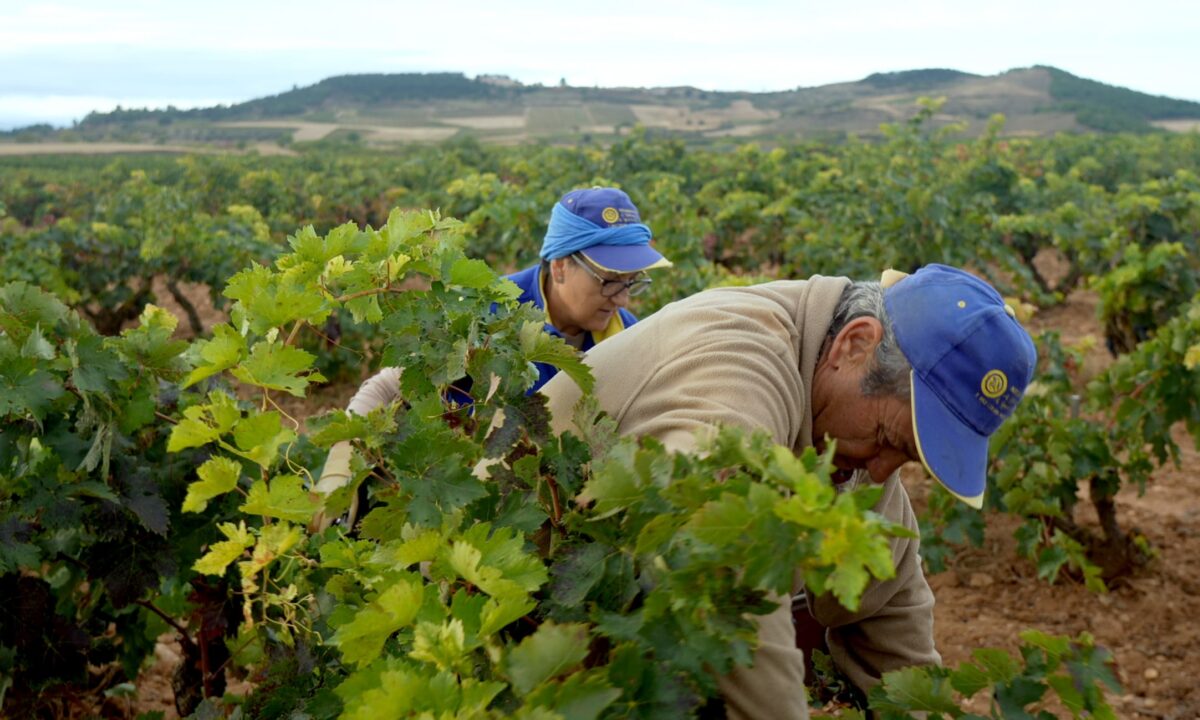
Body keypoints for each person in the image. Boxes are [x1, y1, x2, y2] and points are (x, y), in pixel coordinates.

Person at [539, 264, 1038, 719]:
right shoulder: (737, 373)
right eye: (889, 439)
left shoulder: (841, 423)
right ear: (855, 345)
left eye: (908, 458)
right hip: (526, 639)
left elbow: (891, 608)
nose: (884, 473)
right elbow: (729, 574)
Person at [315, 186, 670, 496]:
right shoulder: (485, 309)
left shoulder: (628, 335)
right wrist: (338, 472)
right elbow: (387, 387)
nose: (622, 299)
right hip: (456, 488)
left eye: (632, 282)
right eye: (608, 281)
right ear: (560, 266)